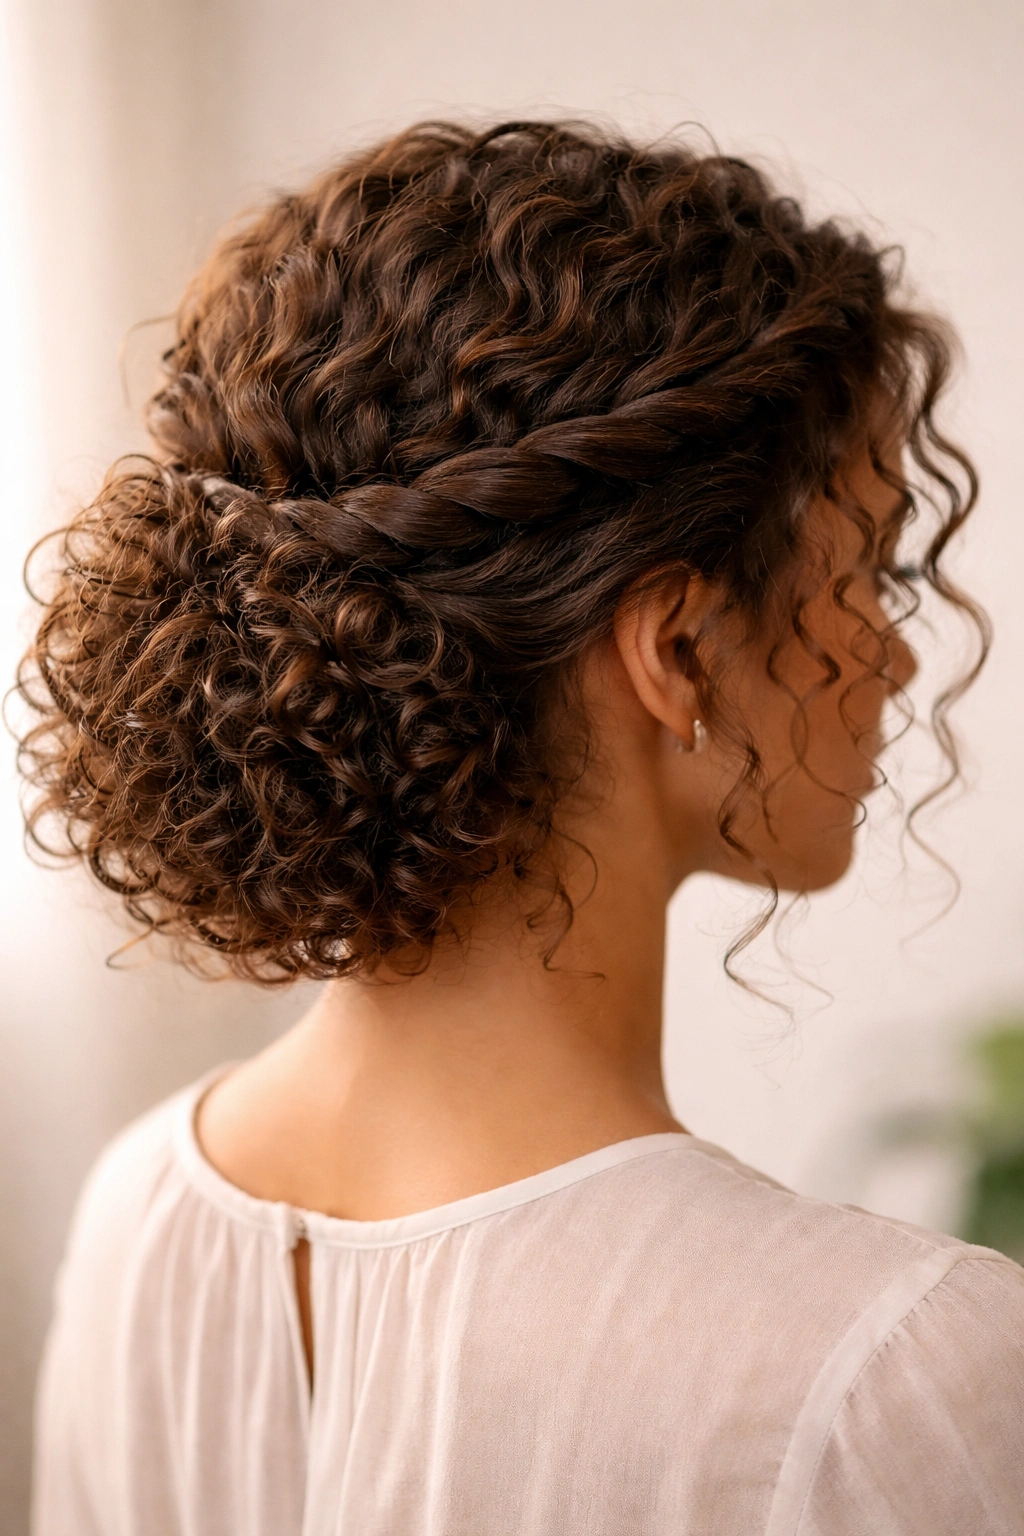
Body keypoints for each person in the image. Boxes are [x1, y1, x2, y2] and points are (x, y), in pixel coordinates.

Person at [22, 120, 1023, 1535]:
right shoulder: (895, 1376)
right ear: (676, 649)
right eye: (862, 572)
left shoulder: (144, 1213)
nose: (897, 656)